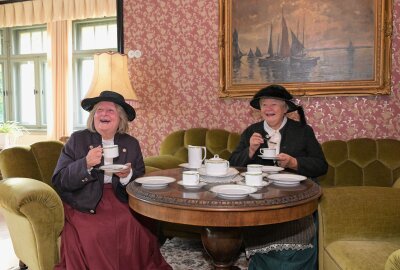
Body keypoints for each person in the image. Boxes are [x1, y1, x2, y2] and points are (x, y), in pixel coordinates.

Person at [52, 90, 172, 270]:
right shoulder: (77, 139)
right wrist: (85, 164)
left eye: (110, 111)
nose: (104, 114)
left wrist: (127, 177)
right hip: (84, 198)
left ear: (120, 119)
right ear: (93, 116)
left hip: (119, 197)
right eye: (99, 110)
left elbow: (139, 178)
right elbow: (60, 180)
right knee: (96, 232)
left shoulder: (130, 143)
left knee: (138, 226)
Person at [229, 84, 328, 270]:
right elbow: (233, 163)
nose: (268, 108)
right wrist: (250, 150)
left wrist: (294, 163)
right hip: (262, 194)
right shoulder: (252, 131)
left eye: (274, 104)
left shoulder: (303, 131)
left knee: (296, 231)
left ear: (285, 109)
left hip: (295, 194)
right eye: (264, 104)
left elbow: (321, 166)